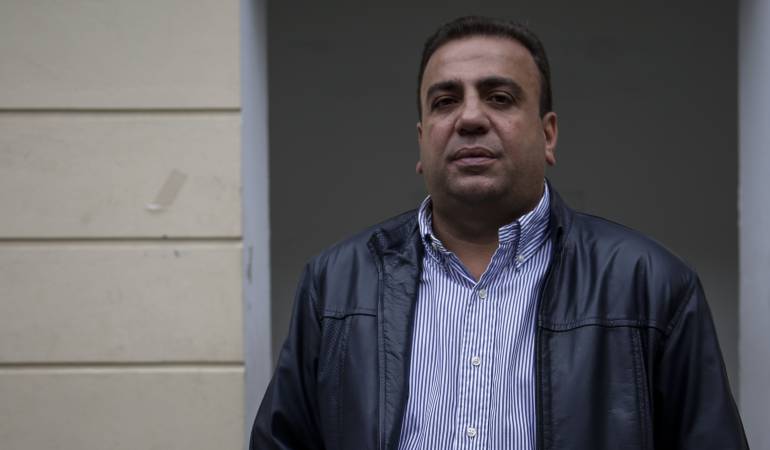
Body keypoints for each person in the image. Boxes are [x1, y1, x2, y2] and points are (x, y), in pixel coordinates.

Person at [251, 16, 748, 450]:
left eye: (500, 97)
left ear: (548, 134)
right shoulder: (334, 285)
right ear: (422, 142)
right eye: (445, 101)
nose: (470, 117)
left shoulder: (652, 285)